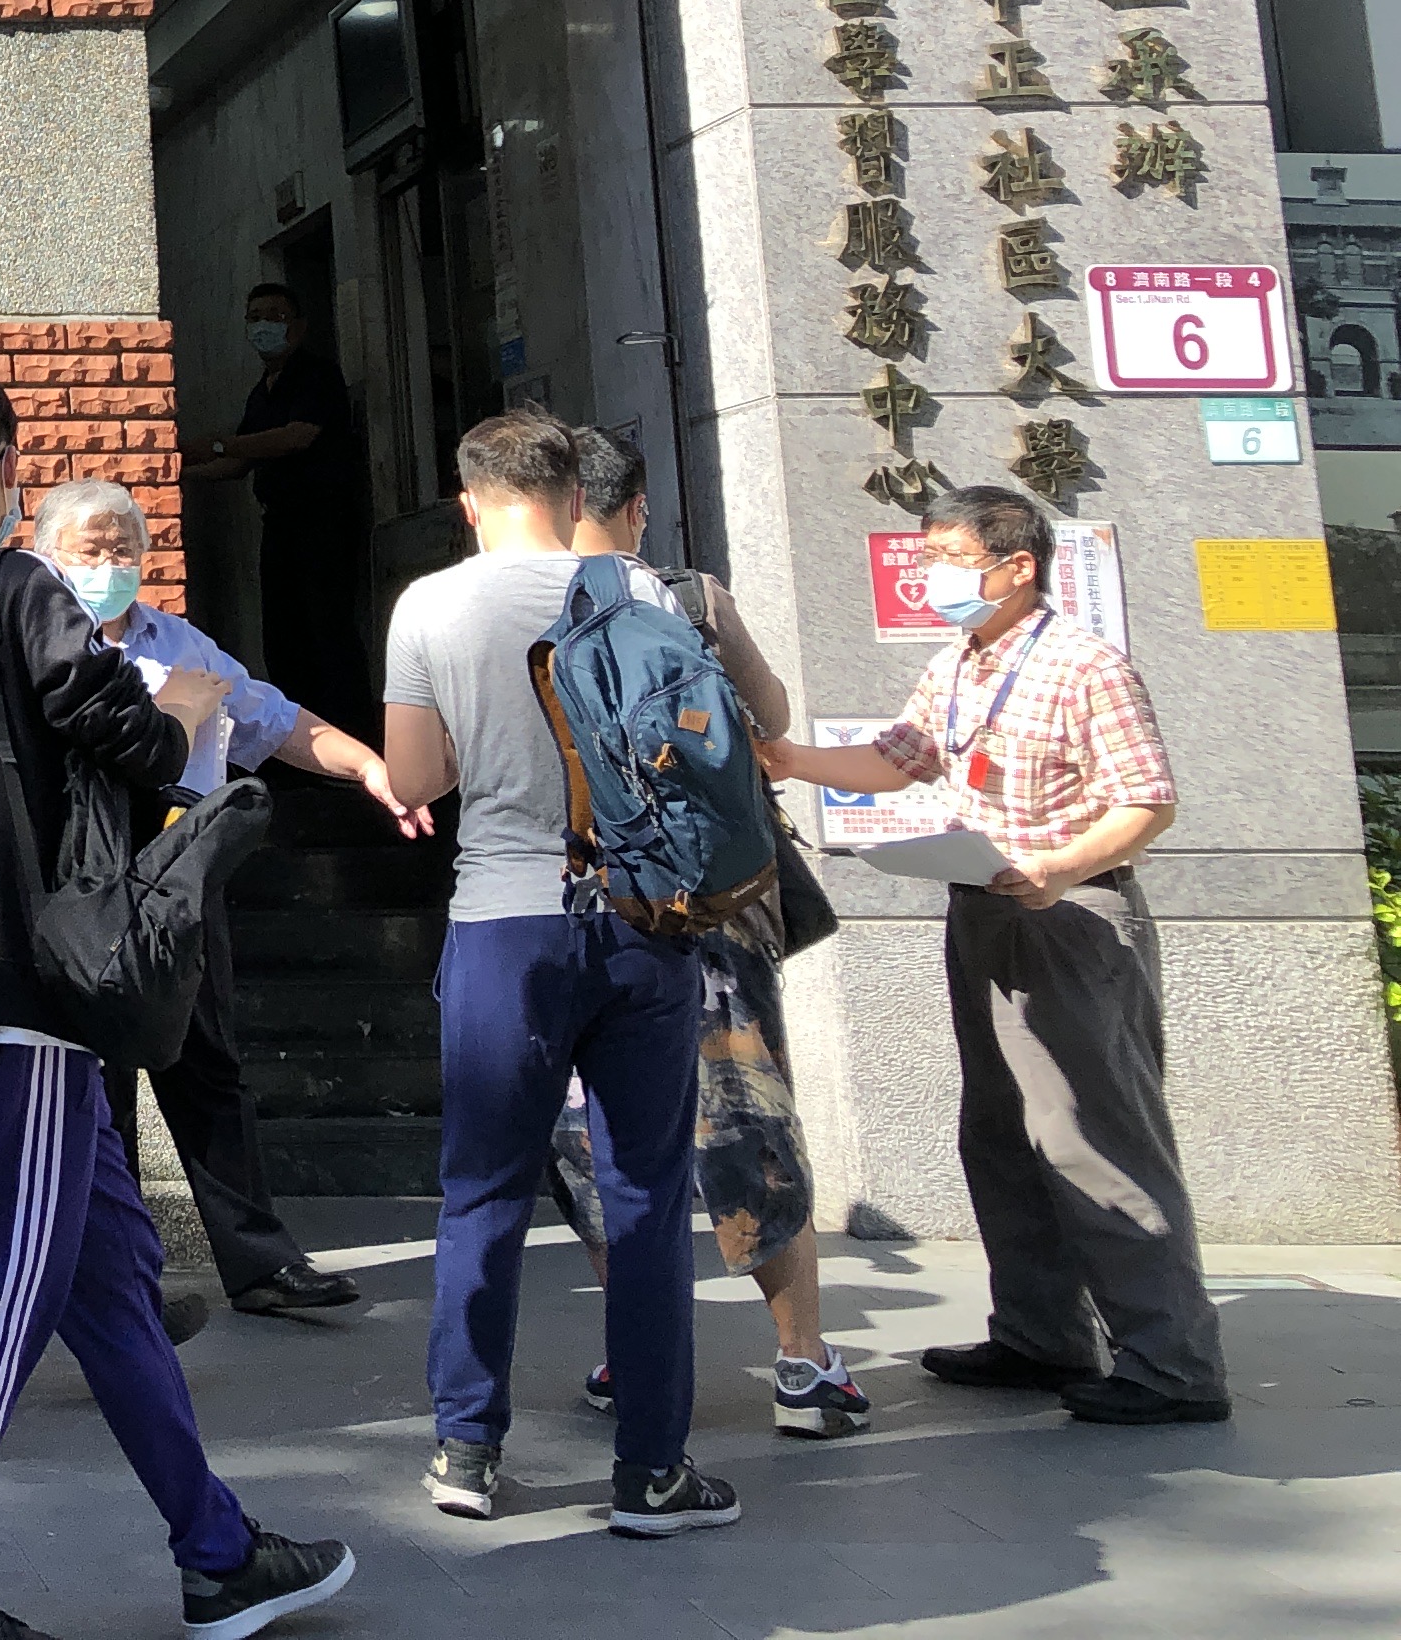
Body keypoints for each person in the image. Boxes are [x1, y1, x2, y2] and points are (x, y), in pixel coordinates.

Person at [0, 363, 353, 1640]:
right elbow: (139, 741)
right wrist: (182, 712)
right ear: (10, 467)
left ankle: (219, 1553)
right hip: (37, 987)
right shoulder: (20, 588)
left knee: (111, 1283)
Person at [757, 483, 1225, 1425]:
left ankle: (1172, 1364)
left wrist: (1060, 866)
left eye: (950, 560)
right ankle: (1041, 1335)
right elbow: (898, 758)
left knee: (1091, 1133)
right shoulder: (960, 663)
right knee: (1001, 1132)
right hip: (983, 908)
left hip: (1070, 916)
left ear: (1017, 567)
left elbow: (1147, 801)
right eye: (927, 558)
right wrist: (790, 758)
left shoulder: (1086, 667)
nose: (932, 577)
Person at [374, 408, 733, 1535]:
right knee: (646, 1197)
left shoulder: (430, 605)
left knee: (483, 1190)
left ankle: (467, 1449)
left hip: (504, 925)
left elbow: (413, 778)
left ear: (469, 501)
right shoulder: (644, 592)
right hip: (642, 920)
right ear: (576, 496)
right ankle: (653, 1470)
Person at [541, 430, 867, 1438]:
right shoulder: (689, 600)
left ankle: (633, 1353)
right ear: (636, 508)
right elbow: (767, 722)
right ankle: (803, 1366)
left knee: (595, 1134)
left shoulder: (524, 606)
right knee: (747, 1118)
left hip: (586, 907)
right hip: (711, 909)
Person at [30, 478, 406, 1324]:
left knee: (209, 1068)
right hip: (86, 882)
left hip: (182, 875)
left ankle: (262, 1262)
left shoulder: (181, 642)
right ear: (48, 555)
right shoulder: (41, 640)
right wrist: (169, 710)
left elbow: (274, 720)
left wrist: (368, 767)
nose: (110, 564)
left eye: (124, 548)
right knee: (98, 1082)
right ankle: (122, 1278)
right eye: (91, 550)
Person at [179, 284, 373, 734]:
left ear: (298, 327)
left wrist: (218, 444)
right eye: (255, 317)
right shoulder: (261, 393)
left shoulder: (317, 376)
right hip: (281, 524)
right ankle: (297, 740)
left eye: (275, 316)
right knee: (285, 638)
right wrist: (175, 471)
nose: (263, 325)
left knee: (328, 632)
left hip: (323, 523)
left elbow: (296, 437)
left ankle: (354, 737)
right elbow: (238, 465)